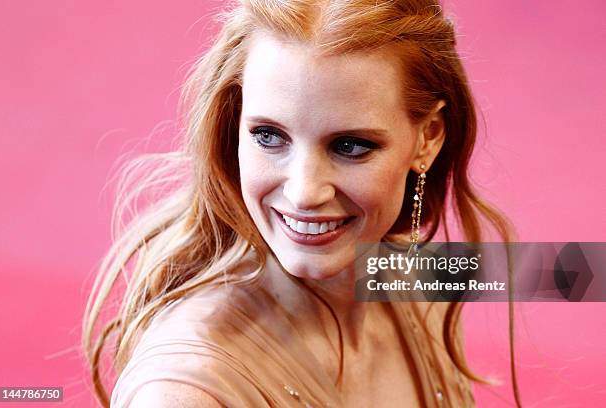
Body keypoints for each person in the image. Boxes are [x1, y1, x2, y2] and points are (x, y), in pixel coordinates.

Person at [83, 0, 519, 407]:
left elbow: (567, 274)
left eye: (350, 145)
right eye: (269, 136)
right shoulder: (182, 392)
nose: (304, 193)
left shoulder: (422, 280)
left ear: (428, 137)